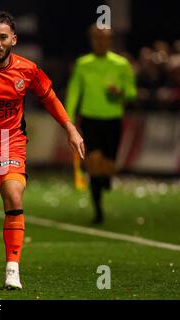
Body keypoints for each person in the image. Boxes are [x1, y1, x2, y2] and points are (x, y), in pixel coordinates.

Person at [0, 11, 85, 290]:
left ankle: (12, 270)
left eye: (3, 37)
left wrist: (69, 127)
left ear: (13, 40)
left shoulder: (28, 70)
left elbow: (49, 97)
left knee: (13, 193)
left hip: (11, 143)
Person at [65, 25, 137, 224]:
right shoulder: (83, 64)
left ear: (110, 41)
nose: (100, 42)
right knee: (94, 164)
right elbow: (74, 91)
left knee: (108, 167)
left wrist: (119, 93)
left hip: (113, 120)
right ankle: (98, 211)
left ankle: (107, 178)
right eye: (97, 38)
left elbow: (132, 93)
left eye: (104, 38)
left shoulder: (121, 64)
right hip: (90, 120)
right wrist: (68, 120)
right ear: (91, 40)